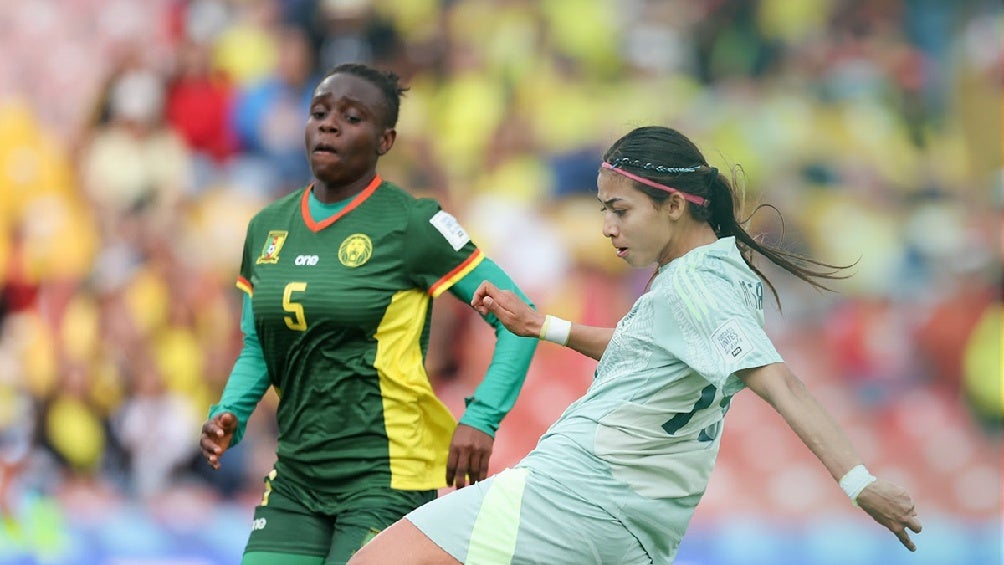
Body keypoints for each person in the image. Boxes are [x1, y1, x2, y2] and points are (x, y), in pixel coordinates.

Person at [348, 126, 923, 564]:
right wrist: (543, 326)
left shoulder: (697, 287)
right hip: (635, 530)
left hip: (571, 499)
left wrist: (860, 483)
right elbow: (643, 349)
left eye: (620, 210)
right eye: (604, 210)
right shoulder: (717, 274)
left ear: (674, 205)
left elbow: (781, 383)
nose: (607, 227)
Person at [199, 63, 539, 565]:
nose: (329, 125)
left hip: (387, 477)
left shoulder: (412, 223)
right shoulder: (267, 227)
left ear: (386, 140)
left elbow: (519, 317)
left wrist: (481, 417)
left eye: (352, 117)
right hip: (296, 474)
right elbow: (258, 344)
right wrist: (231, 411)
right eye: (319, 112)